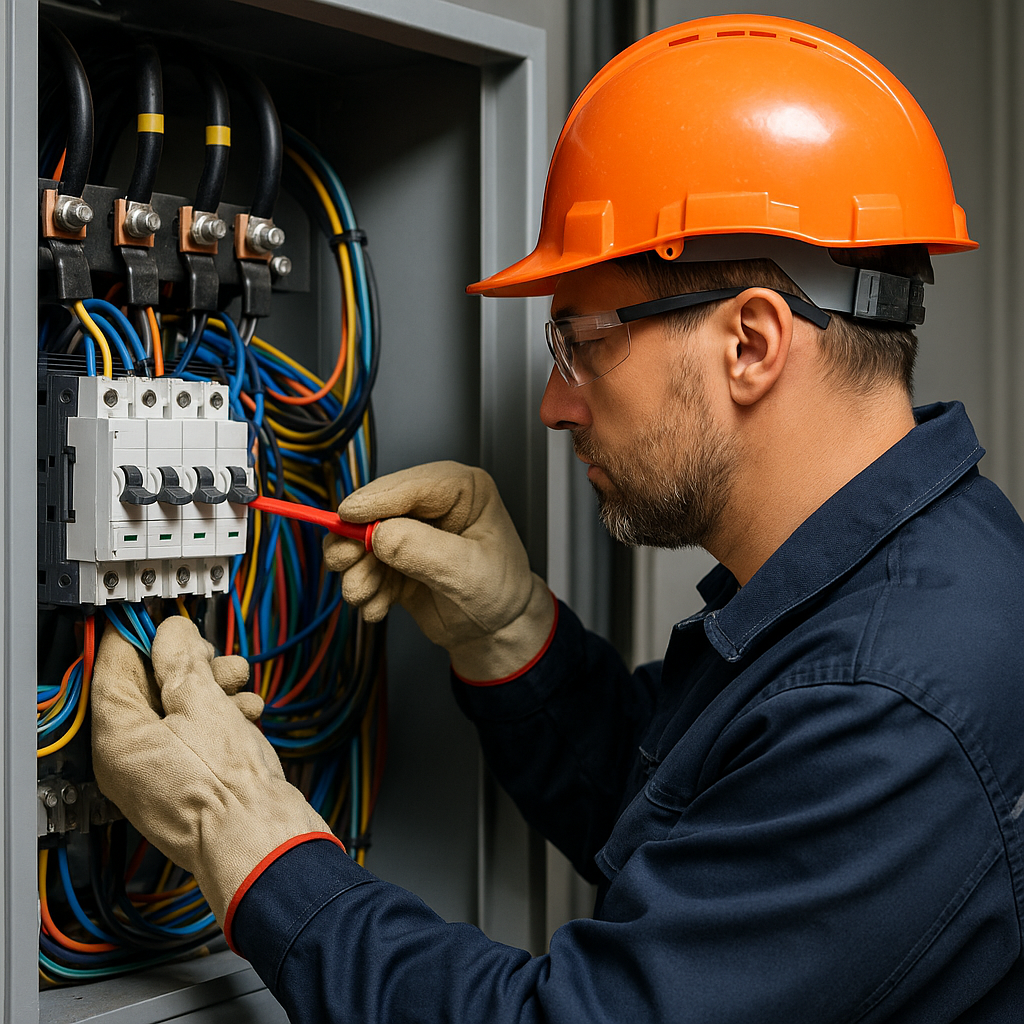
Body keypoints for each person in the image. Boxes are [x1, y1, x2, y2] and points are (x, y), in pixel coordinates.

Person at [91, 14, 1024, 1022]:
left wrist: (235, 821)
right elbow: (715, 834)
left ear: (748, 342)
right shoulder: (919, 576)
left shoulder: (889, 698)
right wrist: (509, 633)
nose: (553, 401)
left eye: (580, 341)